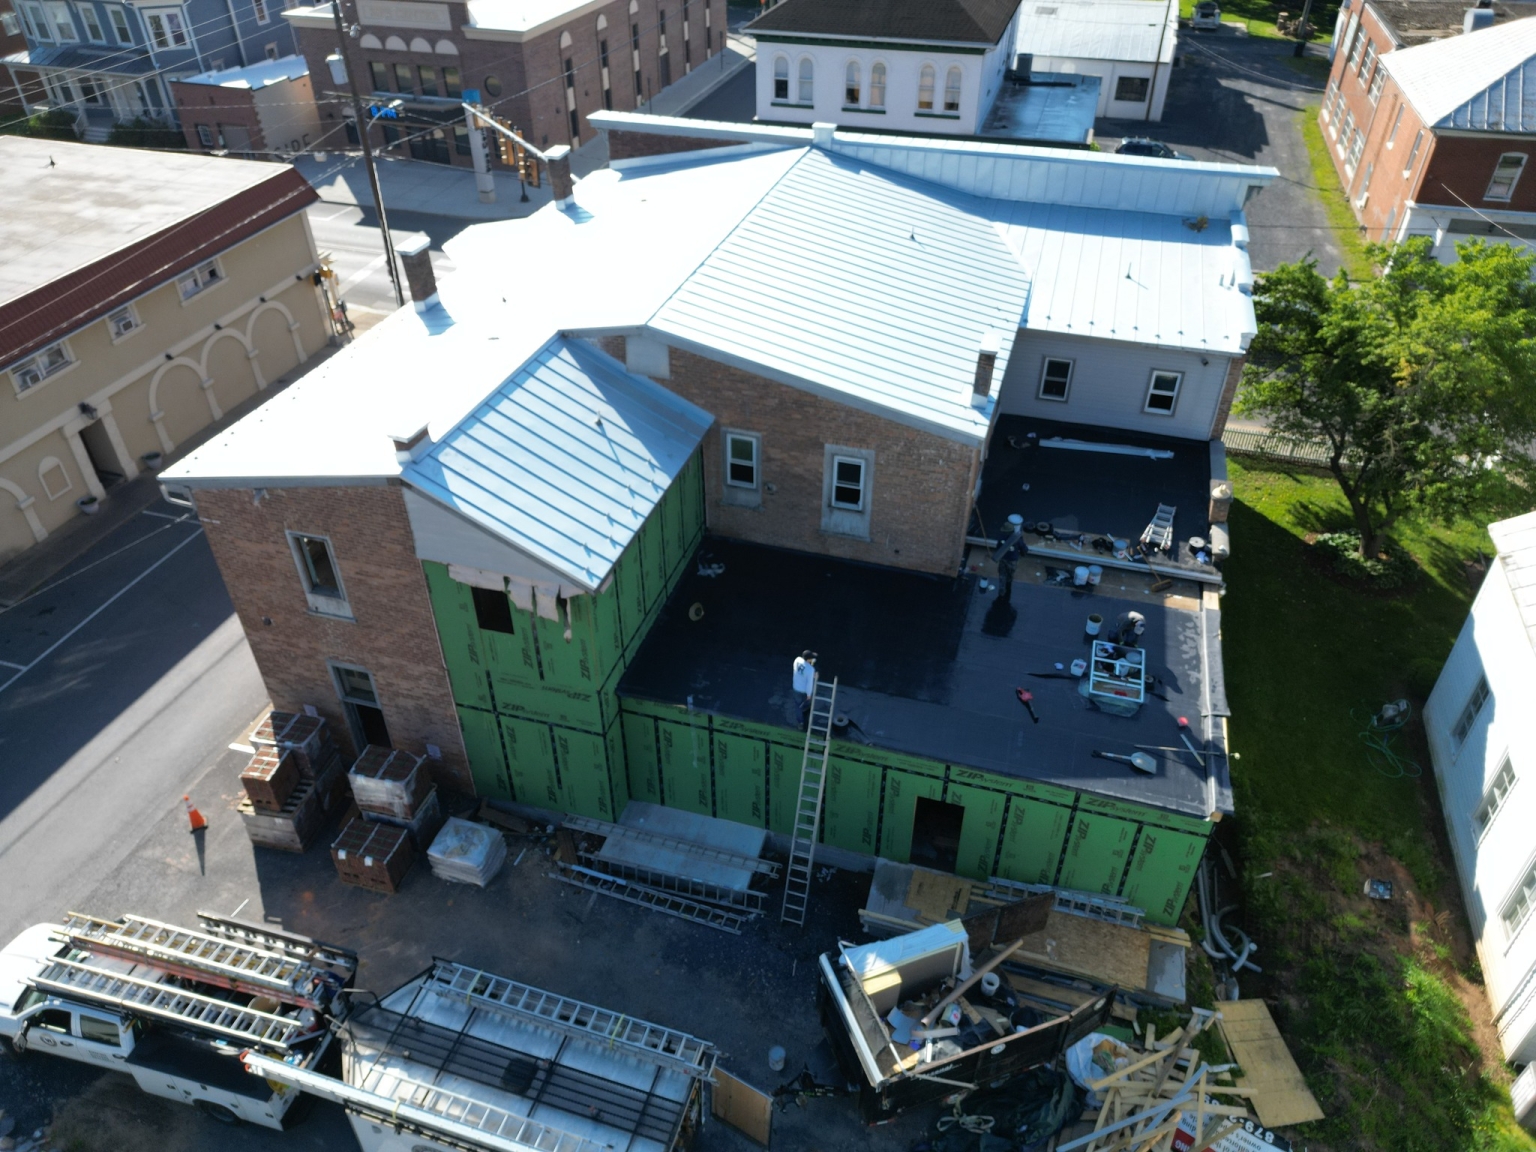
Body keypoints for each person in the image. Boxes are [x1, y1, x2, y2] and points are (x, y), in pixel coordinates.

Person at [793, 650, 818, 726]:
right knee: (807, 700)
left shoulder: (797, 660)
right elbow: (809, 684)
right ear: (808, 659)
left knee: (798, 706)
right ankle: (805, 708)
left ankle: (800, 722)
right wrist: (809, 694)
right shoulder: (810, 670)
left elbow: (801, 670)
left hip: (795, 687)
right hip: (804, 691)